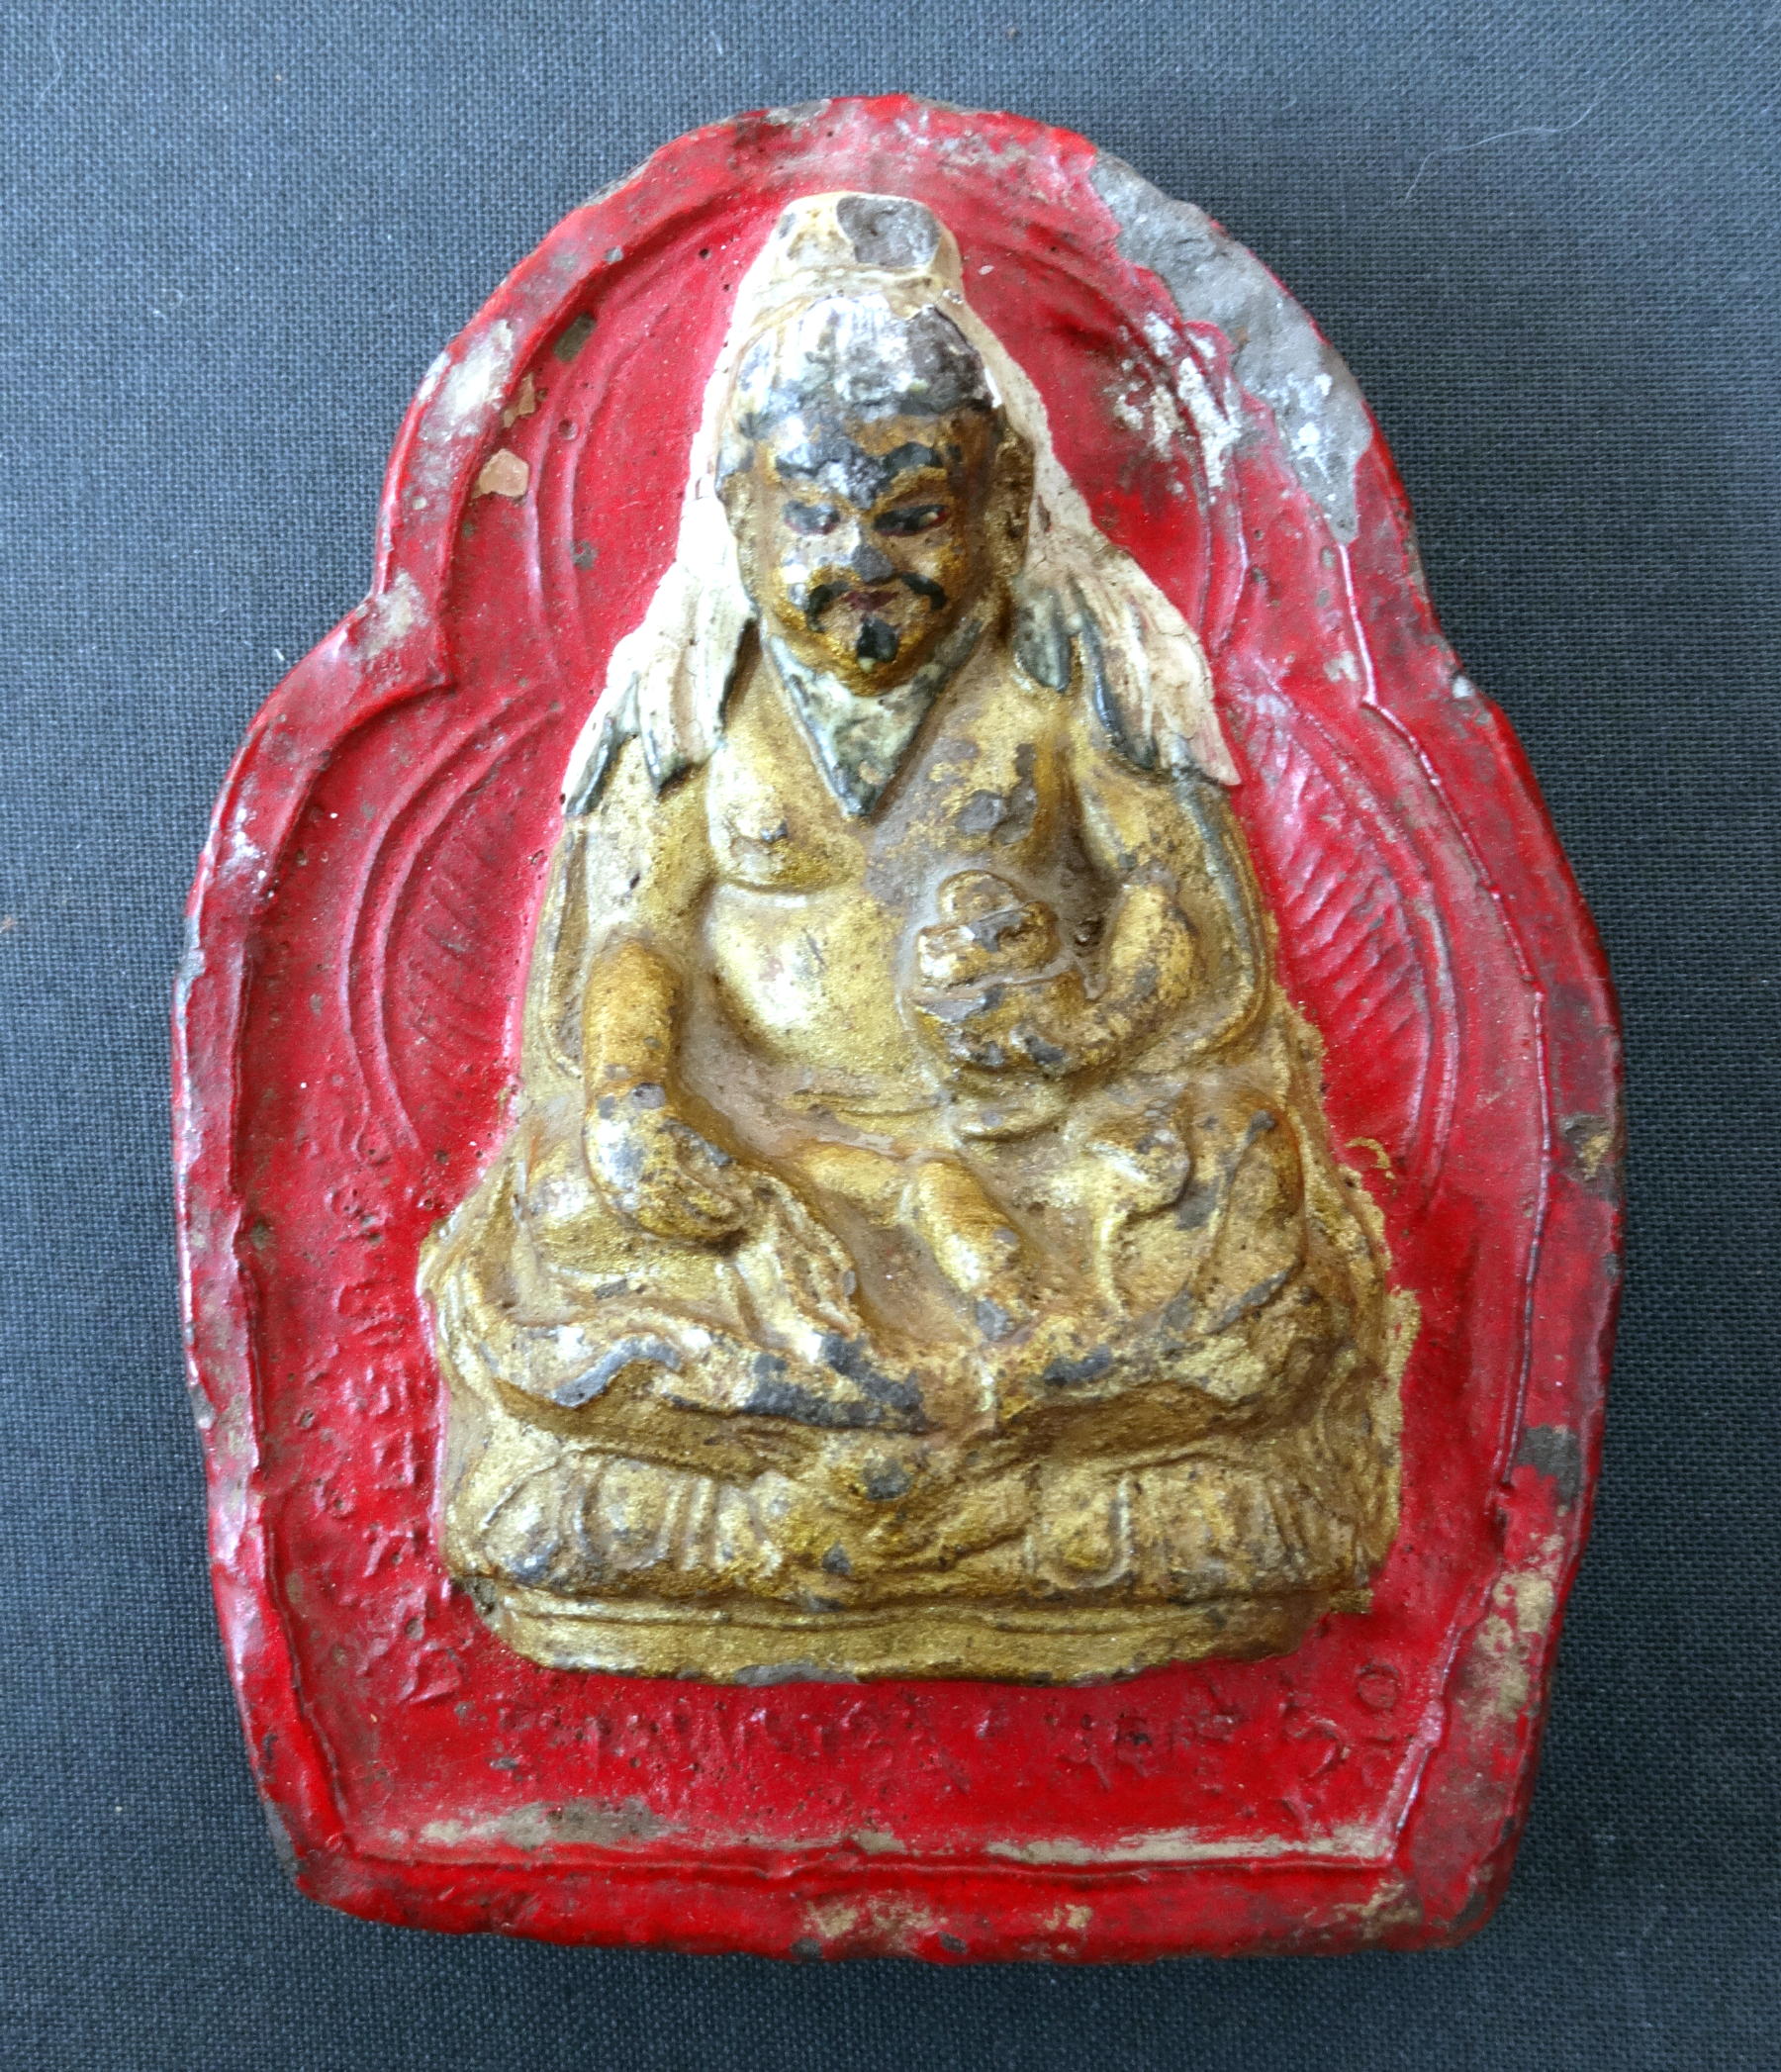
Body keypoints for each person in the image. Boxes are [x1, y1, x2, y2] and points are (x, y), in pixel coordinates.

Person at [419, 192, 1409, 1679]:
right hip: (773, 1162)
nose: (860, 559)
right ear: (738, 510)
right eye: (812, 516)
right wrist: (627, 1099)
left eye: (910, 514)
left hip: (1026, 1141)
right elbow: (637, 936)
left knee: (1240, 1188)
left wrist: (1089, 1019)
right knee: (568, 1207)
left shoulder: (1063, 685)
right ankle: (1028, 1465)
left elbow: (1173, 904)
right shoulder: (696, 705)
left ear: (1002, 508)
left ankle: (871, 1462)